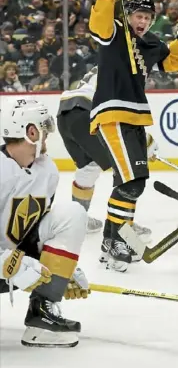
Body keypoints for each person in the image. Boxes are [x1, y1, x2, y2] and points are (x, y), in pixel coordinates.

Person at [88, 0, 178, 272]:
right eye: (137, 16)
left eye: (147, 18)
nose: (142, 22)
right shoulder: (113, 32)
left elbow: (174, 61)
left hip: (136, 118)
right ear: (127, 16)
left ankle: (117, 238)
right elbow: (98, 23)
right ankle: (112, 240)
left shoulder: (151, 42)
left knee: (129, 181)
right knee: (133, 181)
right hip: (112, 114)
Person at [0, 98, 89, 348]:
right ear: (31, 132)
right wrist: (4, 261)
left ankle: (41, 316)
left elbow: (35, 228)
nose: (45, 141)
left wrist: (60, 268)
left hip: (11, 262)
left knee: (72, 213)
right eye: (43, 133)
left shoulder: (46, 170)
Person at [56, 66, 156, 240]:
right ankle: (123, 224)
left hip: (65, 113)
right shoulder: (124, 72)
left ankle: (78, 219)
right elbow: (121, 119)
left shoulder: (106, 65)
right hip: (86, 111)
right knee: (127, 166)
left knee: (89, 166)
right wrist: (144, 143)